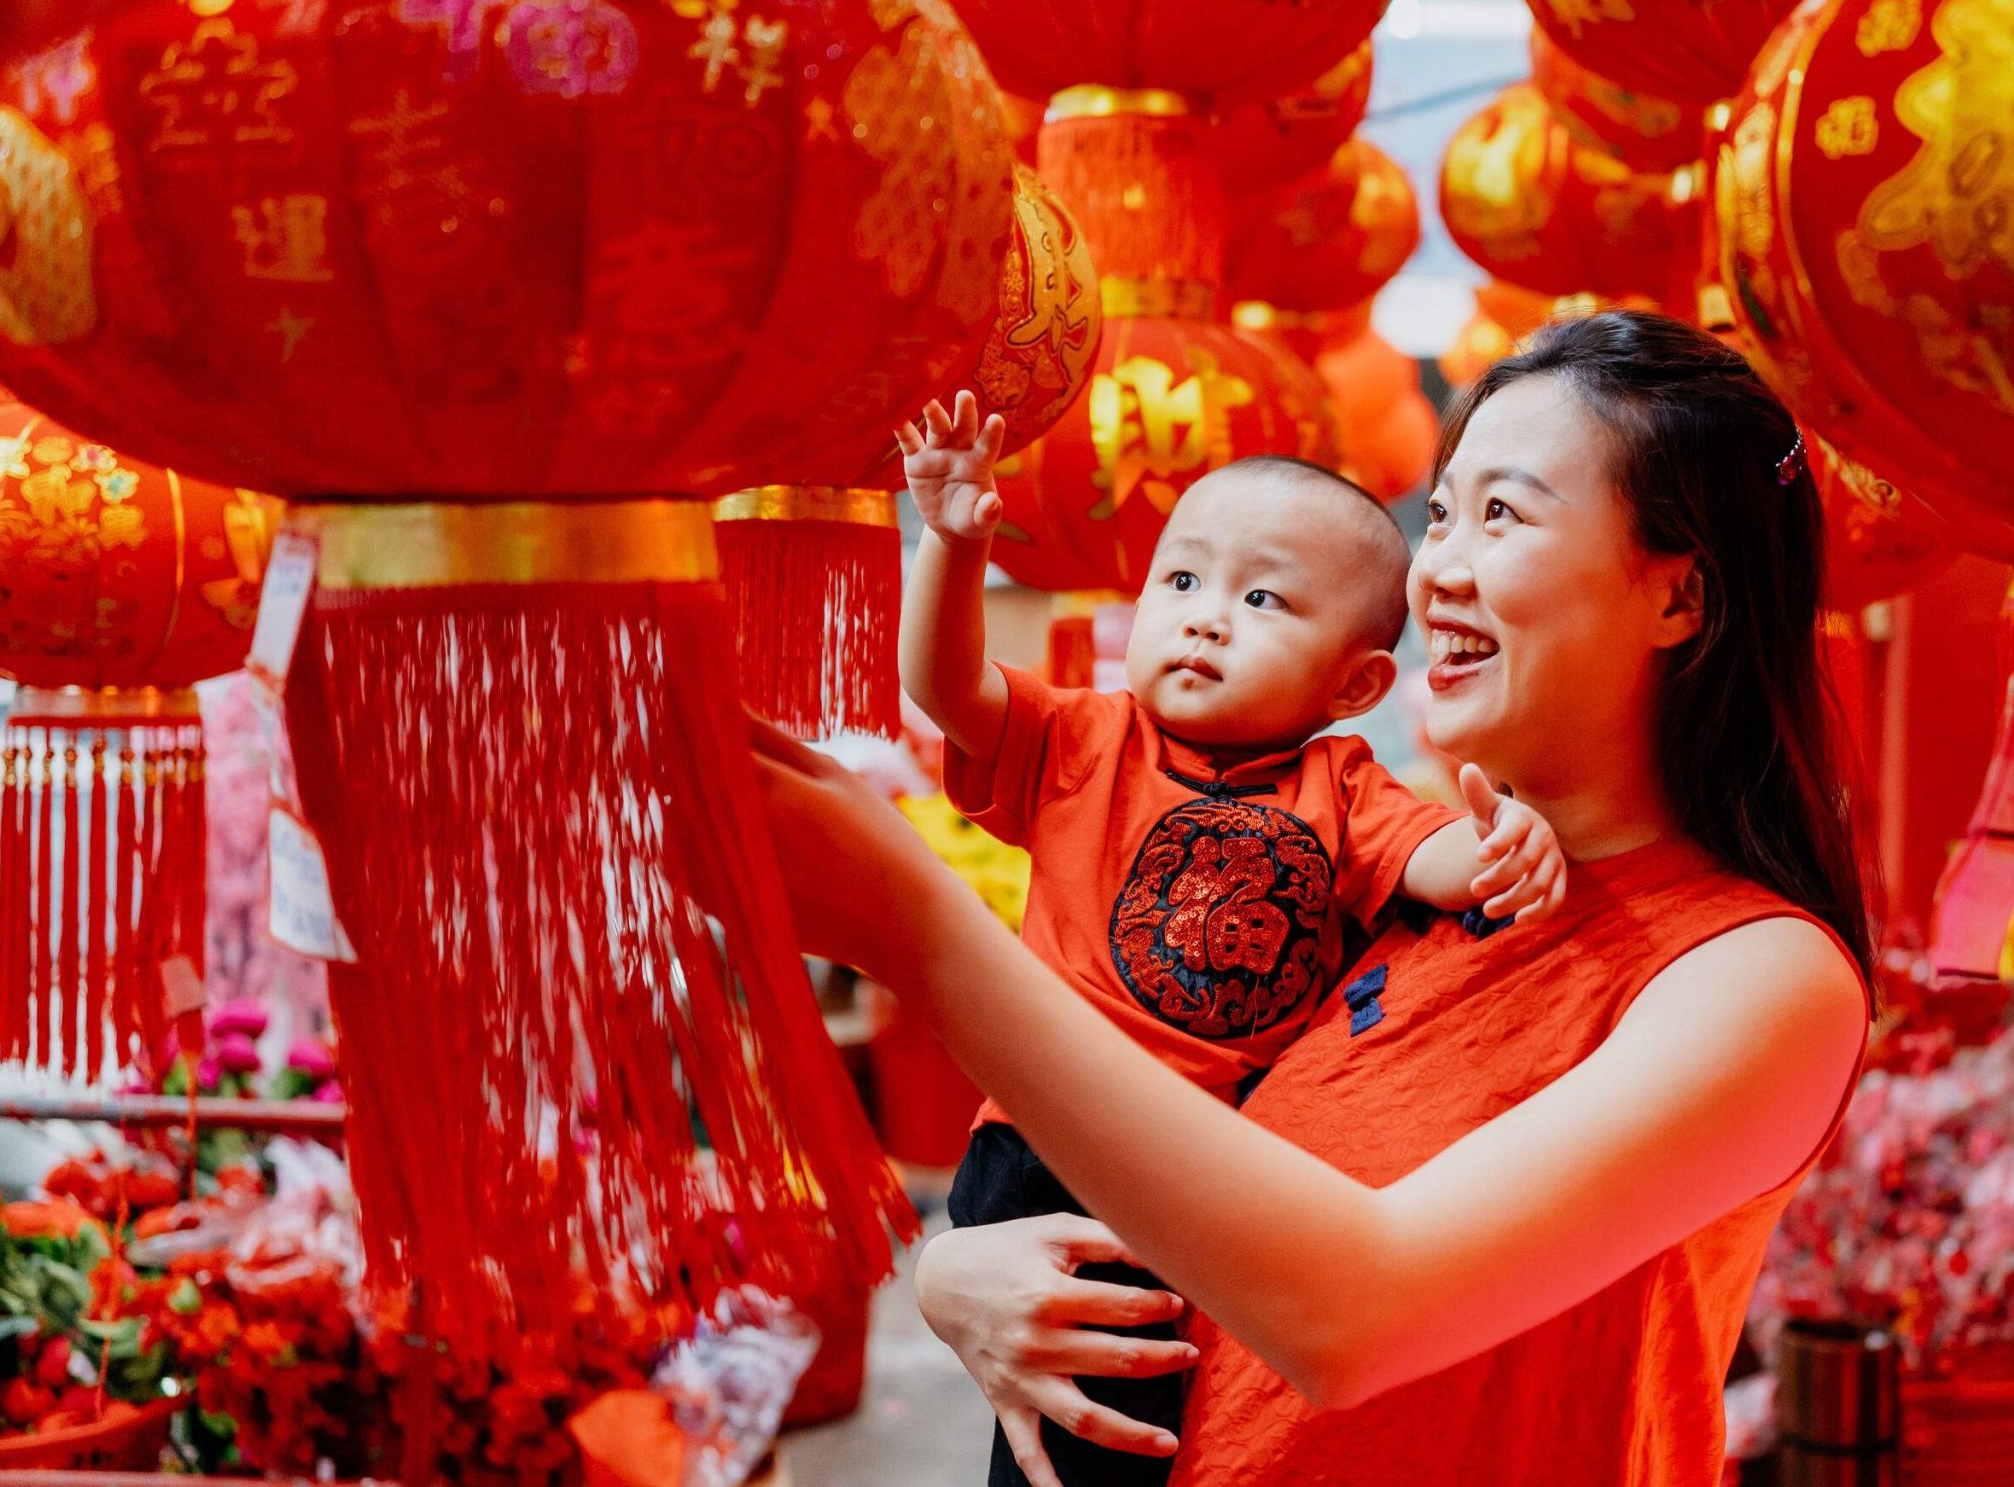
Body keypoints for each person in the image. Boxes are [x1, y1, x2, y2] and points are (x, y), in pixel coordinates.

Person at [753, 312, 1874, 1486]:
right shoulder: (1385, 888)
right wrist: (966, 1265)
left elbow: (1358, 1312)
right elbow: (1203, 1174)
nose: (1434, 565)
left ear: (1680, 599)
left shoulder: (1758, 976)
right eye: (1440, 512)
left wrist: (922, 935)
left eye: (1502, 514)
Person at [893, 397, 1569, 1487]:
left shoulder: (1342, 786)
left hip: (1198, 1171)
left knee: (1156, 1418)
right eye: (1181, 582)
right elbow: (946, 689)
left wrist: (1509, 844)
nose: (1205, 619)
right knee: (1086, 1435)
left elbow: (1436, 863)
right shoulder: (1086, 738)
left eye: (1261, 599)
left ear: (1353, 684)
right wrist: (954, 544)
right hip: (1048, 1147)